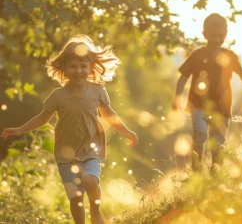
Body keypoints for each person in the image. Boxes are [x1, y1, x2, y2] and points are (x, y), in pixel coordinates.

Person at [1, 34, 139, 224]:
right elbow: (42, 118)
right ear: (64, 68)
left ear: (90, 67)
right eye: (73, 66)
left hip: (91, 148)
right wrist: (19, 130)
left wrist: (127, 132)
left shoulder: (98, 91)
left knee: (90, 180)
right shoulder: (58, 96)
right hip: (65, 154)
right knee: (75, 198)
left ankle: (96, 211)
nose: (79, 70)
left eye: (83, 66)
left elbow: (109, 115)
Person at [172, 13, 242, 173]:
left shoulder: (229, 55)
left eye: (220, 35)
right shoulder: (198, 55)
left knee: (218, 143)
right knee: (200, 134)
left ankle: (215, 173)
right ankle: (197, 171)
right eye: (213, 35)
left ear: (226, 34)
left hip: (222, 107)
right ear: (204, 34)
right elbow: (183, 77)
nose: (216, 39)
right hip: (198, 105)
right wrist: (177, 97)